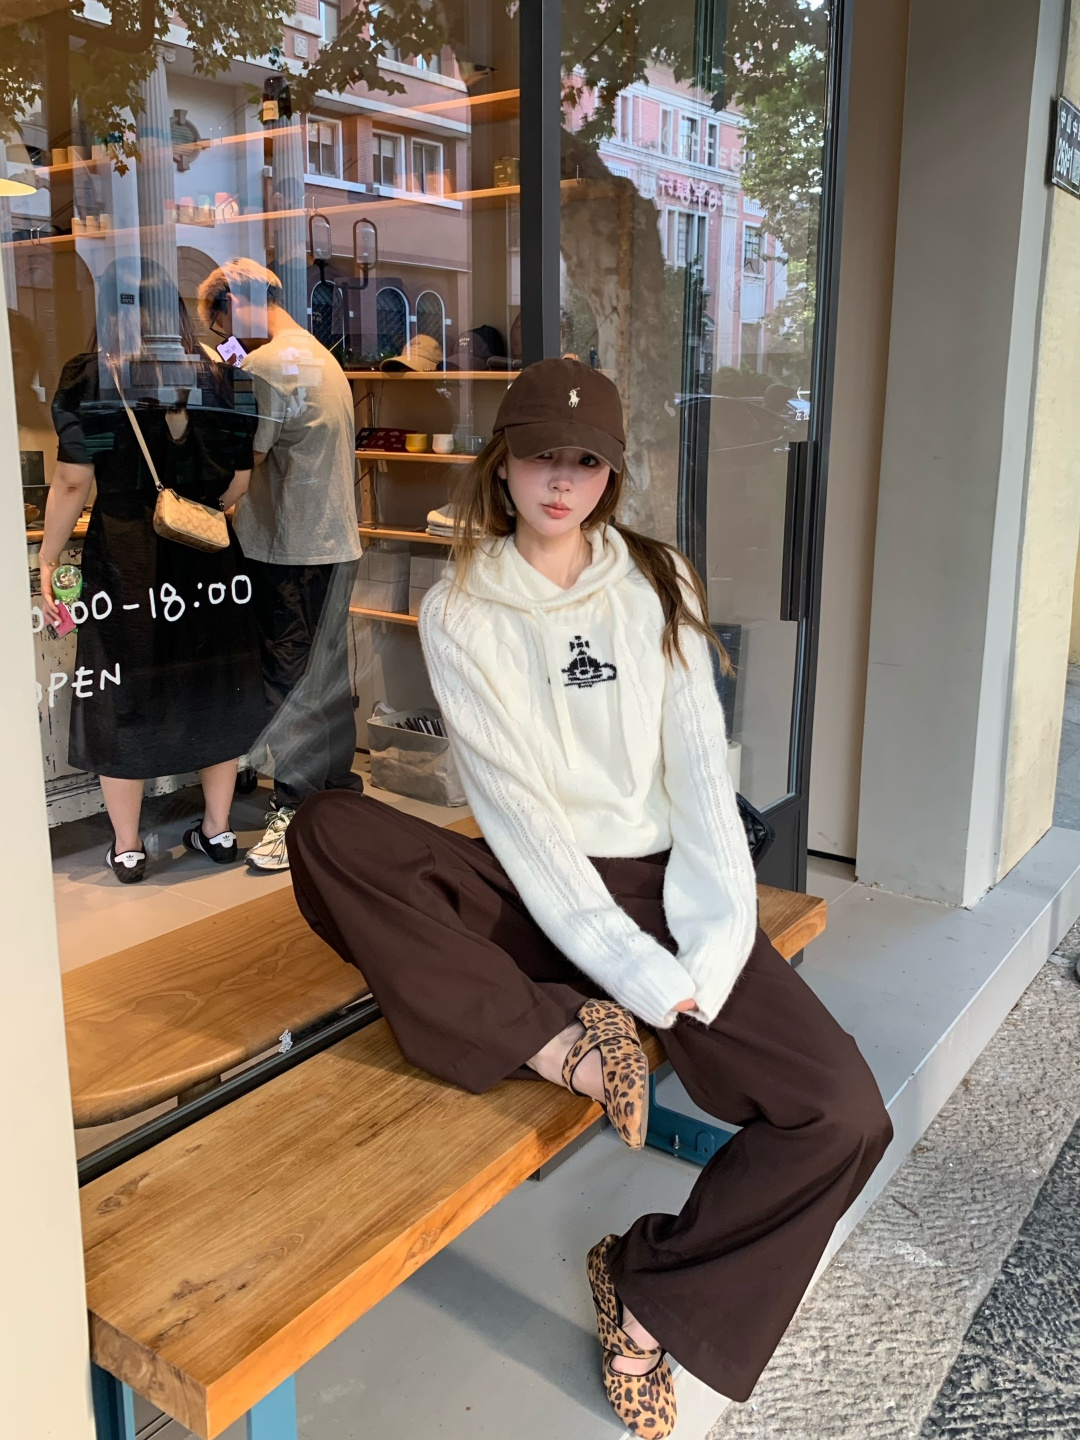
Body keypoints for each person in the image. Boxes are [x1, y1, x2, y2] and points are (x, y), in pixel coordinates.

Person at [285, 359, 892, 1435]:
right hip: (536, 888)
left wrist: (706, 948)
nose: (560, 481)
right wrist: (626, 979)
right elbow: (519, 819)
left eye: (585, 461)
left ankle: (648, 1292)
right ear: (502, 465)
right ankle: (553, 1038)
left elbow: (701, 776)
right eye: (539, 457)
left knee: (844, 1116)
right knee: (330, 831)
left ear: (611, 474)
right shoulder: (461, 607)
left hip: (667, 889)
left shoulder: (658, 581)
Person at [40, 262, 267, 883]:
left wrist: (47, 558)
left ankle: (128, 845)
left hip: (127, 556)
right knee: (211, 682)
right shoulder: (227, 379)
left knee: (123, 690)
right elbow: (238, 485)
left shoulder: (90, 379)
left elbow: (72, 482)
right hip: (207, 552)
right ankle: (218, 830)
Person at [197, 260, 363, 872]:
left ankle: (292, 810)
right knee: (327, 676)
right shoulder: (320, 356)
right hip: (335, 540)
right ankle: (336, 794)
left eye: (221, 327)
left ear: (234, 304)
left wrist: (204, 501)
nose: (225, 341)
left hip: (291, 547)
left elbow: (248, 464)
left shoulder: (266, 367)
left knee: (289, 677)